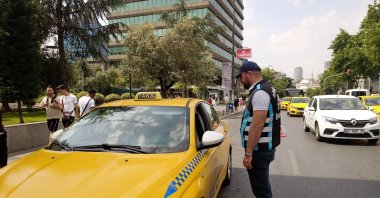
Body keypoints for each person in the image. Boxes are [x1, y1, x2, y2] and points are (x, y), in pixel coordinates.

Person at [236, 61, 281, 198]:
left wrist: (248, 154)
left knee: (261, 191)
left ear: (249, 74)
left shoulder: (260, 93)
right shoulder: (270, 89)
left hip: (258, 151)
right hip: (264, 148)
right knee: (263, 188)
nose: (241, 81)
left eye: (241, 77)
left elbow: (257, 126)